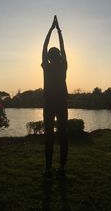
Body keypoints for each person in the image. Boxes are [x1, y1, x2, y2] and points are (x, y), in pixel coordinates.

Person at [42, 15, 68, 177]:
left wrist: (51, 29)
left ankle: (49, 168)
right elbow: (62, 47)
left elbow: (44, 47)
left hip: (50, 104)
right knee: (62, 135)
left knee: (50, 137)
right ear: (58, 57)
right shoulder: (63, 65)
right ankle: (60, 168)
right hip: (59, 104)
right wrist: (58, 31)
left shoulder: (47, 66)